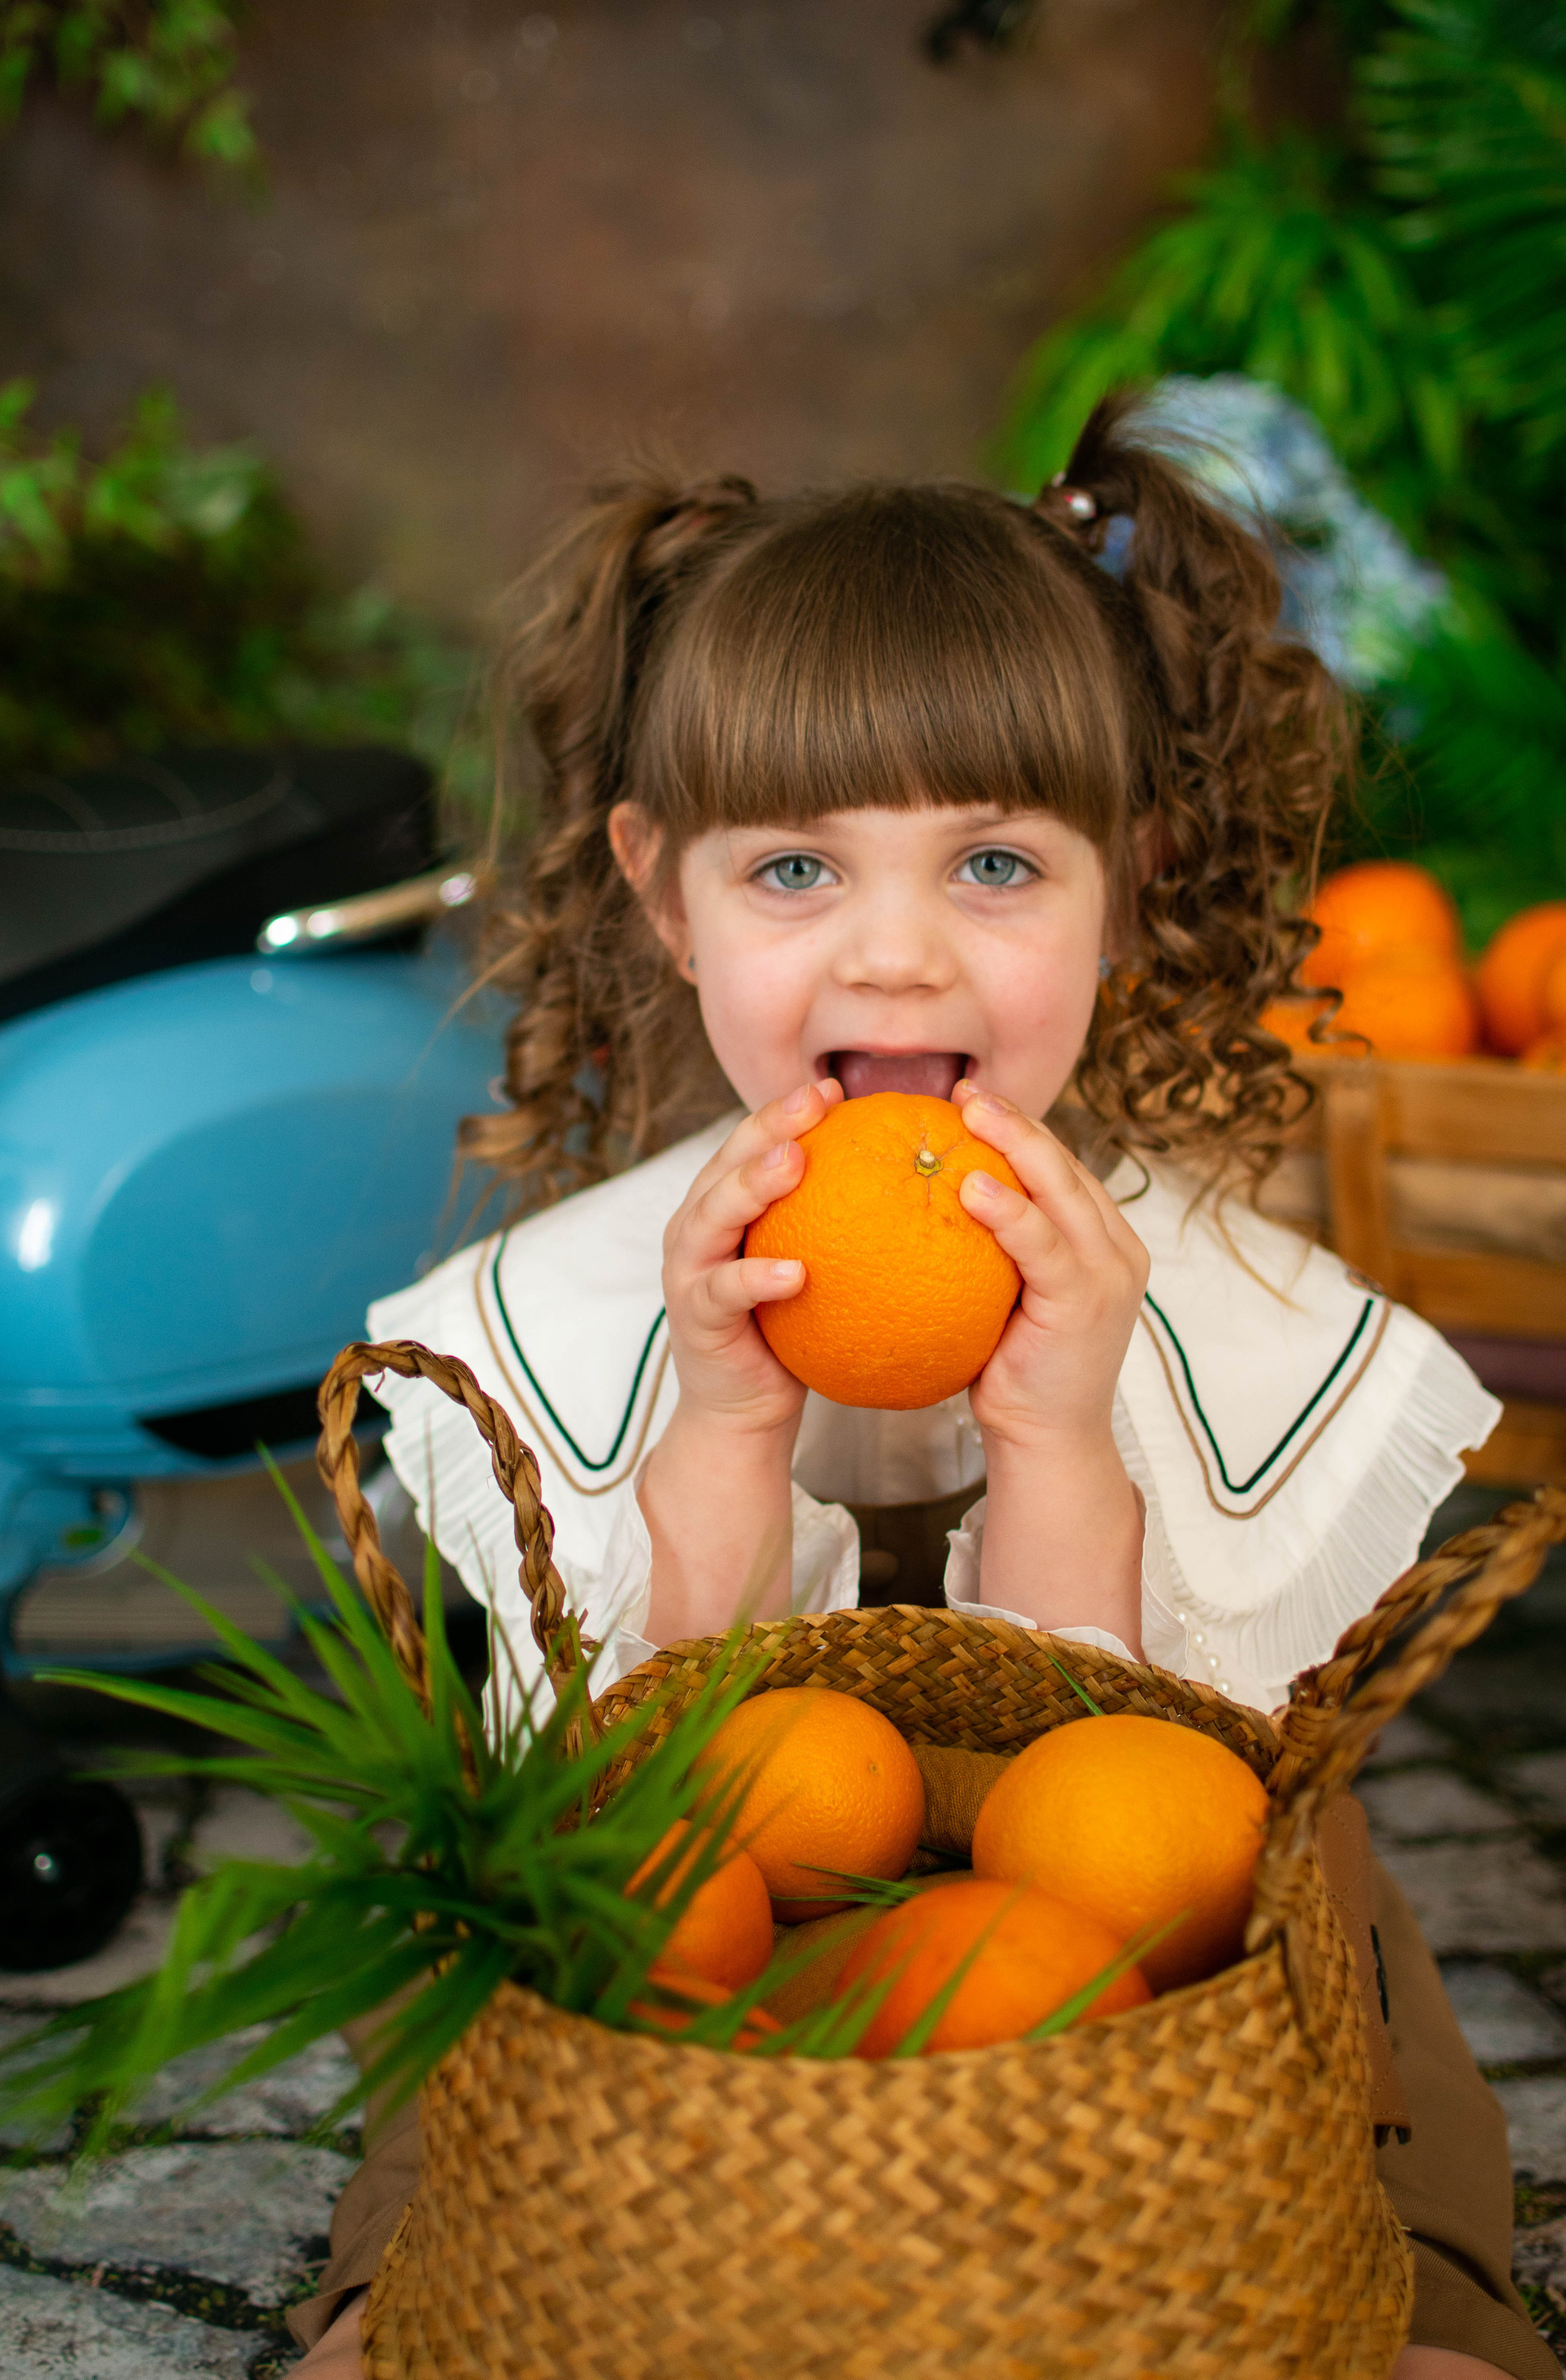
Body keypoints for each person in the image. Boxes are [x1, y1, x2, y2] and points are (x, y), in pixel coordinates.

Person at [287, 402, 1553, 2379]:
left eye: (990, 862)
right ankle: (409, 2291)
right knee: (480, 1927)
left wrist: (1062, 1424)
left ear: (1125, 888)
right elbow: (650, 1777)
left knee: (1326, 1898)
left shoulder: (1191, 1290)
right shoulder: (608, 1290)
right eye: (797, 867)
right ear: (659, 886)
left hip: (1105, 1902)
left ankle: (1422, 2294)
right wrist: (721, 1419)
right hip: (747, 1866)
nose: (897, 958)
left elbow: (1132, 1779)